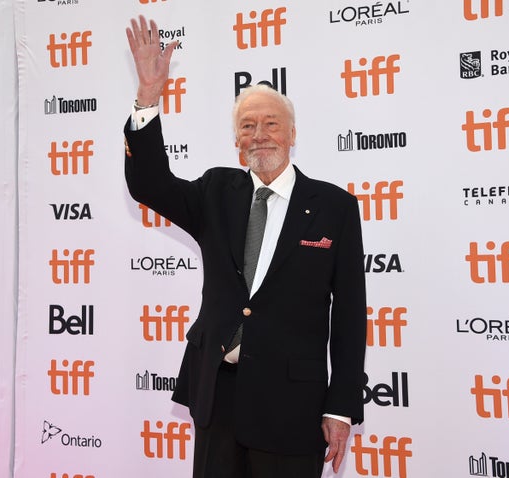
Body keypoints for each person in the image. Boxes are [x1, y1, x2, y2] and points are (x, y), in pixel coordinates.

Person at [123, 15, 367, 478]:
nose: (260, 135)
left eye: (271, 124)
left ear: (292, 135)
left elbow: (351, 314)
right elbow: (149, 184)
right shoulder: (216, 191)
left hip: (293, 406)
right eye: (248, 126)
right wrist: (149, 98)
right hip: (219, 398)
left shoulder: (335, 206)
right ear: (236, 141)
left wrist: (341, 407)